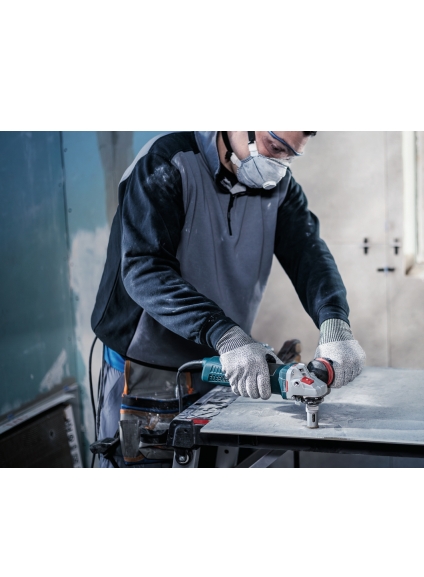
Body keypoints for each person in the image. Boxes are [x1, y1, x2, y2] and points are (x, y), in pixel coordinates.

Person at [91, 131, 366, 467]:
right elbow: (145, 270)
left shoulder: (278, 187)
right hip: (147, 367)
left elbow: (309, 255)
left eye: (290, 155)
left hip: (225, 359)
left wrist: (335, 322)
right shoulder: (167, 163)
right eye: (274, 147)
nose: (278, 165)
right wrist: (226, 334)